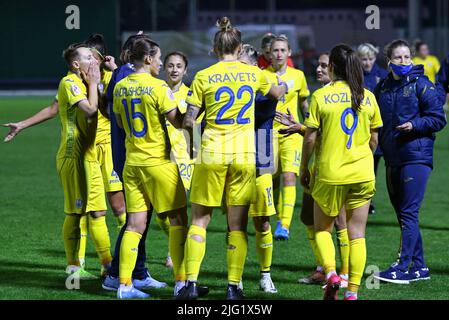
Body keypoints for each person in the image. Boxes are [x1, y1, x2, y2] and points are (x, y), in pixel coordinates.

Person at [177, 17, 287, 300]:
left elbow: (188, 121)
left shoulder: (202, 76)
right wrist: (281, 85)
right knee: (236, 226)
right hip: (244, 154)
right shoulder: (254, 74)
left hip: (212, 152)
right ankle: (233, 287)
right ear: (239, 49)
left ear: (215, 48)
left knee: (199, 220)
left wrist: (194, 145)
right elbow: (276, 92)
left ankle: (189, 284)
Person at [3, 43, 113, 278]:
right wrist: (94, 84)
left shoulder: (85, 82)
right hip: (73, 156)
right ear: (76, 64)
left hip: (89, 155)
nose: (94, 62)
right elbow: (91, 111)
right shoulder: (70, 83)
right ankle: (74, 266)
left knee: (97, 212)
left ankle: (107, 266)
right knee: (76, 212)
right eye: (88, 58)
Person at [301, 44, 383, 300]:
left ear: (332, 67)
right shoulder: (367, 96)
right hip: (362, 173)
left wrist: (305, 167)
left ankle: (331, 274)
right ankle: (353, 292)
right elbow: (374, 140)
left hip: (330, 174)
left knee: (323, 229)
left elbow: (310, 139)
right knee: (357, 234)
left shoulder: (321, 96)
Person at [113, 37, 189, 299]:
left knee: (134, 226)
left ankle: (125, 285)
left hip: (132, 164)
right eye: (158, 58)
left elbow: (121, 125)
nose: (160, 63)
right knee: (179, 220)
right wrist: (193, 114)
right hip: (159, 162)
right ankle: (181, 283)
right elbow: (178, 123)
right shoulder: (158, 87)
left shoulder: (120, 87)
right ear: (147, 59)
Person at [374, 39, 446, 285]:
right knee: (404, 214)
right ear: (389, 61)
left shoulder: (422, 84)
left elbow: (438, 118)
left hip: (416, 156)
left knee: (408, 212)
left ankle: (402, 266)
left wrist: (415, 125)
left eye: (407, 57)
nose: (404, 61)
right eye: (398, 58)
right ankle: (419, 267)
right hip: (392, 157)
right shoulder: (382, 87)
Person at [102, 33, 168, 293]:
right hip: (137, 157)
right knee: (136, 220)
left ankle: (137, 272)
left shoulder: (121, 78)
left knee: (140, 219)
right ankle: (117, 274)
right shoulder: (127, 76)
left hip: (131, 155)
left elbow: (109, 112)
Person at [278, 53, 350, 287]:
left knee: (338, 222)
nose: (318, 69)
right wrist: (300, 127)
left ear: (334, 68)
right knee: (308, 216)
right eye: (317, 65)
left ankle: (344, 275)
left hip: (334, 170)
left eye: (323, 66)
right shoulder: (323, 96)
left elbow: (322, 137)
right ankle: (322, 268)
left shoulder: (330, 96)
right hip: (320, 168)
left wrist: (300, 129)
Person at [263, 35, 310, 240]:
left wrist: (308, 124)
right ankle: (270, 219)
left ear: (289, 52)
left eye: (283, 50)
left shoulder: (298, 75)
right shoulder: (261, 75)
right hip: (267, 134)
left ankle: (284, 225)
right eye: (275, 50)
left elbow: (304, 103)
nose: (279, 54)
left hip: (292, 134)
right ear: (269, 54)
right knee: (270, 180)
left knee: (289, 176)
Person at [156, 51, 192, 269]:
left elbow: (195, 129)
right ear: (164, 68)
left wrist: (197, 159)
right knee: (161, 213)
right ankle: (177, 242)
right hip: (159, 157)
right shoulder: (156, 91)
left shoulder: (191, 96)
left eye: (179, 66)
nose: (174, 69)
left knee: (177, 209)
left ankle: (174, 252)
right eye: (170, 65)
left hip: (184, 159)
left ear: (185, 70)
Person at [357, 43, 389, 215]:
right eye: (364, 59)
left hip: (384, 130)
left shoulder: (383, 76)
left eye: (370, 59)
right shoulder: (355, 78)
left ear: (375, 58)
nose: (367, 63)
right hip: (364, 131)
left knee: (392, 169)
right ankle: (367, 202)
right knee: (369, 169)